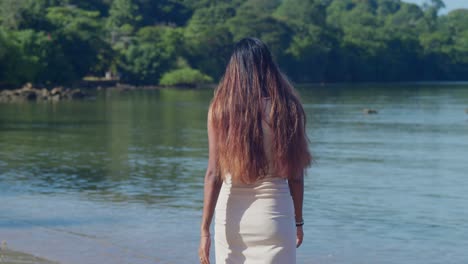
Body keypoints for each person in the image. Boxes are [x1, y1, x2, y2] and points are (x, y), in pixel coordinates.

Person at [198, 37, 312, 264]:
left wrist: (204, 230)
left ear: (234, 70)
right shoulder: (287, 110)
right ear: (269, 67)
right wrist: (298, 222)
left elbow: (214, 174)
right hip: (274, 217)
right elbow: (296, 177)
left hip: (231, 219)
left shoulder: (221, 110)